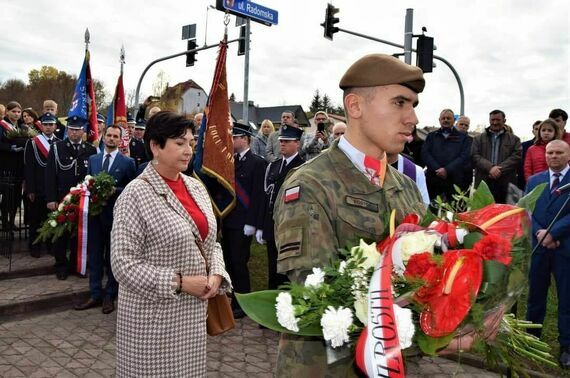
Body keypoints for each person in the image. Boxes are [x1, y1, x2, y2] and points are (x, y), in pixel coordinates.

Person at [273, 54, 427, 376]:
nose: (412, 118)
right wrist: (429, 331)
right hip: (327, 367)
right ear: (355, 107)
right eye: (399, 102)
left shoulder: (407, 188)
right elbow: (319, 295)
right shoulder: (310, 184)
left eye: (413, 105)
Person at [111, 111, 231, 377]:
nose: (188, 150)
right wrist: (180, 282)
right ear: (156, 145)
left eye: (191, 142)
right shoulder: (135, 194)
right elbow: (122, 264)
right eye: (179, 143)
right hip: (153, 323)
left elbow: (211, 242)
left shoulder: (196, 187)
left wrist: (216, 274)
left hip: (192, 320)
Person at [75, 125, 136, 314]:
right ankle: (95, 293)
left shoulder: (127, 162)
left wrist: (114, 191)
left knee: (111, 257)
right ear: (103, 137)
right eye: (108, 135)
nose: (111, 139)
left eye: (115, 136)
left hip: (115, 217)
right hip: (93, 216)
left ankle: (110, 294)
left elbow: (132, 189)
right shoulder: (93, 159)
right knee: (94, 256)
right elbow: (86, 182)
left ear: (120, 140)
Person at [525, 140, 570, 369]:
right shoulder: (535, 180)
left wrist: (553, 232)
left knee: (567, 298)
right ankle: (531, 339)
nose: (554, 156)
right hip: (539, 248)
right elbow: (527, 210)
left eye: (559, 152)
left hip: (565, 248)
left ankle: (567, 346)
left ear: (568, 154)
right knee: (536, 296)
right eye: (550, 152)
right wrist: (540, 233)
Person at [221, 122, 266, 318]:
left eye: (234, 137)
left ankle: (243, 301)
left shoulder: (257, 163)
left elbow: (258, 196)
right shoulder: (230, 161)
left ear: (245, 139)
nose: (231, 140)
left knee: (239, 262)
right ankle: (233, 298)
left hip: (244, 222)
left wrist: (253, 222)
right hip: (228, 219)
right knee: (229, 261)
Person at [45, 116, 97, 280]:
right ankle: (61, 265)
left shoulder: (91, 150)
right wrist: (51, 198)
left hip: (83, 200)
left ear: (83, 131)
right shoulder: (56, 148)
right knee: (61, 234)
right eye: (71, 129)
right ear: (67, 130)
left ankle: (76, 264)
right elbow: (50, 176)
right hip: (62, 198)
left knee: (79, 234)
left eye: (78, 129)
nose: (74, 132)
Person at [259, 125, 304, 290]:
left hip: (291, 227)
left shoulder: (303, 167)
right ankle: (272, 308)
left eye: (287, 141)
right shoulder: (274, 166)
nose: (282, 144)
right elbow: (266, 198)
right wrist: (263, 227)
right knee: (273, 268)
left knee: (288, 271)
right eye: (281, 141)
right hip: (272, 226)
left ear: (297, 143)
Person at [24, 112, 60, 257]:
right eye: (45, 124)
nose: (48, 127)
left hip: (53, 190)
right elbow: (29, 167)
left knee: (52, 219)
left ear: (55, 126)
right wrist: (30, 189)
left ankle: (51, 246)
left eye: (51, 124)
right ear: (41, 125)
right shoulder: (33, 142)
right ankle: (35, 247)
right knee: (35, 220)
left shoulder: (59, 142)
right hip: (38, 188)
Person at [471, 109, 522, 203]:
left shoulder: (514, 139)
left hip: (505, 184)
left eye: (498, 120)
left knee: (504, 214)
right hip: (483, 183)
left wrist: (499, 169)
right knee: (483, 214)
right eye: (492, 120)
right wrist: (490, 168)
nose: (495, 122)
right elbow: (474, 156)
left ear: (504, 121)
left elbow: (516, 157)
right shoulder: (478, 139)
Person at [422, 109, 471, 201]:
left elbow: (464, 156)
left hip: (454, 181)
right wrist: (437, 169)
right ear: (439, 120)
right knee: (432, 211)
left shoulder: (463, 138)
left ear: (454, 120)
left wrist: (446, 170)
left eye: (448, 118)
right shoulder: (431, 136)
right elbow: (425, 154)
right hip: (433, 180)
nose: (446, 120)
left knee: (453, 212)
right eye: (443, 118)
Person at [0, 101, 26, 232]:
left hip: (19, 166)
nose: (16, 114)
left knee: (16, 196)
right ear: (7, 112)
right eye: (13, 111)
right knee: (7, 196)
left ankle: (11, 221)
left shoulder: (22, 126)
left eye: (18, 112)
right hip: (6, 166)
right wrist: (11, 147)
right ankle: (4, 221)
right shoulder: (2, 125)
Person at [519, 120, 542, 189]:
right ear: (533, 131)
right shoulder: (524, 145)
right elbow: (521, 165)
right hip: (526, 180)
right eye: (536, 129)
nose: (538, 131)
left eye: (541, 128)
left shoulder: (551, 146)